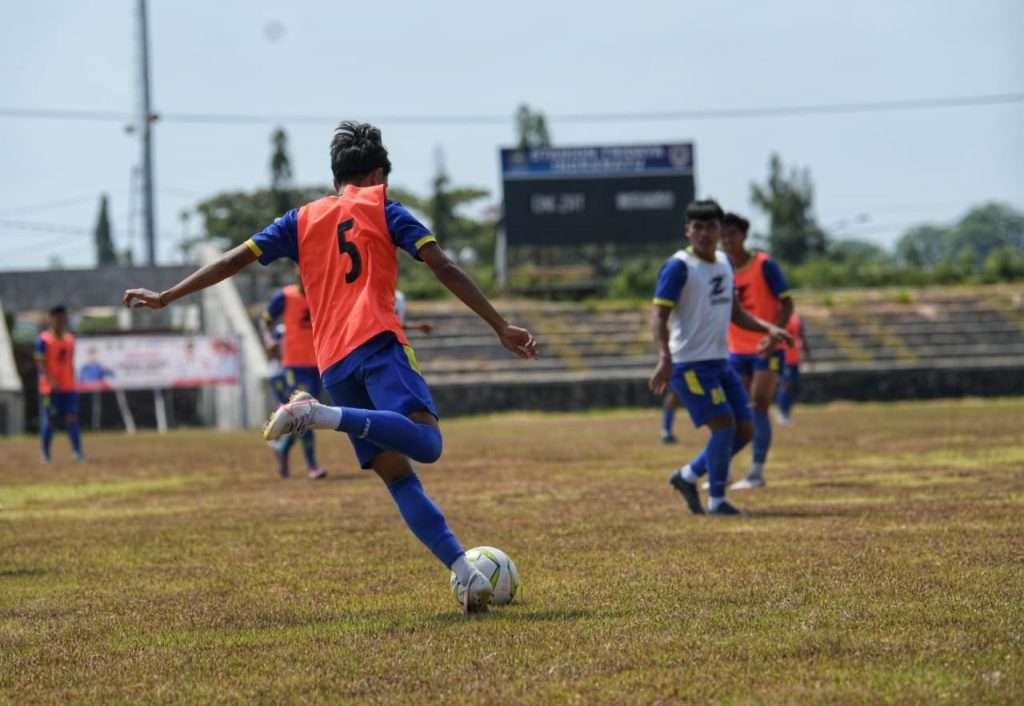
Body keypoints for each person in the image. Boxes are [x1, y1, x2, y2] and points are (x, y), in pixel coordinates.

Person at [123, 121, 537, 613]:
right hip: (379, 344)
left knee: (399, 478)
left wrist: (168, 295)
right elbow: (442, 266)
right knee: (427, 444)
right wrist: (499, 325)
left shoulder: (300, 219)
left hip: (334, 364)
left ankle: (466, 577)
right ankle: (319, 415)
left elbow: (234, 259)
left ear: (335, 177)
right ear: (378, 174)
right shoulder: (385, 208)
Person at [649, 200, 791, 516]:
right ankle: (717, 501)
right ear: (687, 231)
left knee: (745, 430)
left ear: (719, 230)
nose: (704, 233)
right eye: (697, 227)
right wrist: (664, 357)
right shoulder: (679, 266)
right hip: (689, 364)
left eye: (711, 227)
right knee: (724, 426)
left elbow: (735, 313)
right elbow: (658, 315)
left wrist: (769, 328)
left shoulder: (725, 263)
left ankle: (687, 476)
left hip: (720, 362)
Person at [719, 212, 793, 491]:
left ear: (744, 236)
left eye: (732, 234)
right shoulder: (720, 267)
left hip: (766, 348)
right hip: (735, 350)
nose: (727, 240)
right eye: (723, 235)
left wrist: (774, 336)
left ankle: (756, 472)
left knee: (759, 404)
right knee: (735, 410)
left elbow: (787, 303)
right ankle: (722, 470)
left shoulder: (764, 264)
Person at [259, 271, 327, 480]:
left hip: (319, 363)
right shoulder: (285, 296)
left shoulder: (322, 294)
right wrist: (269, 339)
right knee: (305, 412)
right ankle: (312, 466)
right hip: (294, 365)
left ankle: (282, 448)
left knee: (308, 414)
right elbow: (265, 321)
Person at [35, 305, 84, 463]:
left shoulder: (70, 339)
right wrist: (51, 381)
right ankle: (45, 454)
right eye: (57, 318)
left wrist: (73, 380)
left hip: (69, 387)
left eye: (63, 318)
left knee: (72, 418)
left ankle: (78, 452)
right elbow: (40, 364)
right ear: (52, 319)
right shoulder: (43, 340)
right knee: (50, 420)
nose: (61, 321)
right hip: (50, 389)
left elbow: (70, 362)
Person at [775, 312, 811, 425]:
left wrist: (807, 354)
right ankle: (781, 413)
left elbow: (802, 336)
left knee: (792, 386)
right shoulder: (776, 316)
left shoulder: (797, 318)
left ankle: (786, 412)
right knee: (786, 385)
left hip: (795, 358)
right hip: (783, 358)